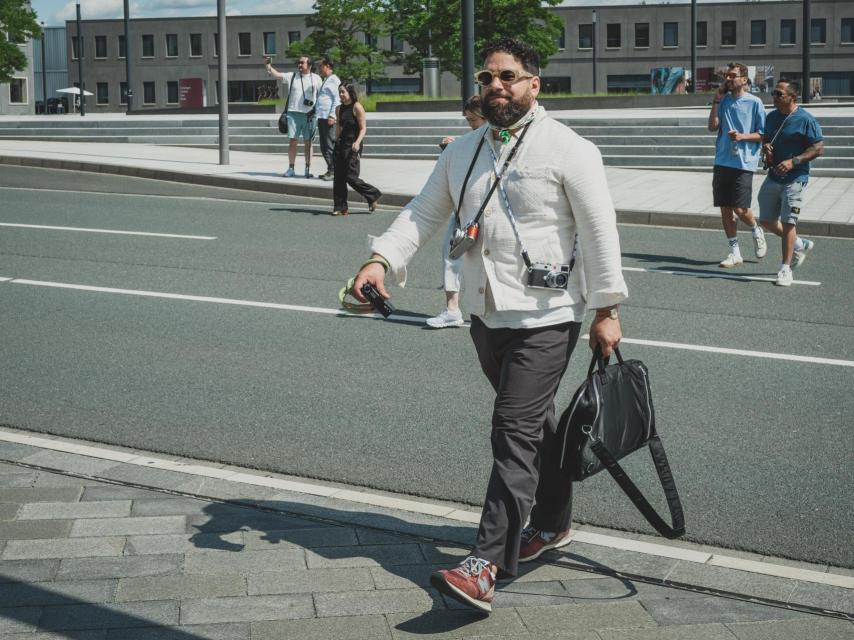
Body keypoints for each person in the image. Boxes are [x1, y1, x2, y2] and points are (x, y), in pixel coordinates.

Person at [349, 37, 627, 612]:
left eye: (507, 76)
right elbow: (424, 212)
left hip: (547, 316)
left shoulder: (569, 149)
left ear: (534, 84)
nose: (494, 86)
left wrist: (607, 309)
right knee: (535, 429)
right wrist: (381, 259)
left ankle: (484, 563)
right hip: (486, 314)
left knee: (511, 428)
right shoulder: (465, 150)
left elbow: (600, 232)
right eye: (486, 78)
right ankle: (552, 523)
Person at [427, 95, 486, 329]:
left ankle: (485, 309)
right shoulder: (474, 138)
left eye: (473, 120)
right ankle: (452, 308)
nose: (470, 124)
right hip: (465, 209)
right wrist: (454, 147)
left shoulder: (498, 136)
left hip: (485, 210)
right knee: (451, 252)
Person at [758, 80, 823, 287]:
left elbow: (818, 148)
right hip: (774, 176)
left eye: (778, 94)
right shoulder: (772, 117)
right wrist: (766, 148)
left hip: (796, 178)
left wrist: (794, 161)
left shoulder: (805, 119)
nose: (774, 96)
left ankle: (785, 269)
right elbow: (767, 139)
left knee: (788, 223)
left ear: (792, 97)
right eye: (774, 93)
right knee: (766, 220)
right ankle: (799, 244)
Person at [708, 62, 767, 268]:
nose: (729, 79)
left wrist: (742, 136)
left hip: (744, 161)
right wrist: (716, 99)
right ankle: (735, 252)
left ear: (744, 79)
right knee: (725, 208)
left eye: (733, 75)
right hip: (722, 159)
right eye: (727, 76)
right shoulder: (723, 101)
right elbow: (712, 126)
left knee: (740, 208)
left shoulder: (755, 103)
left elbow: (763, 133)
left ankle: (755, 228)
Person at [266, 56, 322, 178]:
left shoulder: (316, 79)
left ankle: (307, 169)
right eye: (298, 63)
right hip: (293, 113)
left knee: (309, 142)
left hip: (310, 115)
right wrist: (268, 66)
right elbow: (278, 75)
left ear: (310, 64)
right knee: (293, 141)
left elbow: (321, 96)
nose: (299, 65)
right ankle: (291, 168)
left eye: (302, 63)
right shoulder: (293, 76)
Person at [331, 84, 382, 216]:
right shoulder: (338, 109)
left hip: (353, 145)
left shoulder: (357, 107)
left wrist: (357, 142)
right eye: (339, 92)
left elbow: (363, 128)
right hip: (341, 145)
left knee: (350, 176)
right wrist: (336, 141)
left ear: (350, 92)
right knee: (339, 177)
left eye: (343, 92)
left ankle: (373, 194)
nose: (341, 94)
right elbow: (338, 127)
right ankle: (340, 207)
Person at [315, 57, 341, 181]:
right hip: (322, 117)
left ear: (327, 66)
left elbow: (337, 99)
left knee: (329, 145)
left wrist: (332, 115)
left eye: (321, 66)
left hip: (328, 117)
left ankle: (334, 171)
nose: (319, 68)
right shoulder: (326, 80)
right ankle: (330, 169)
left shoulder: (334, 80)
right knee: (324, 145)